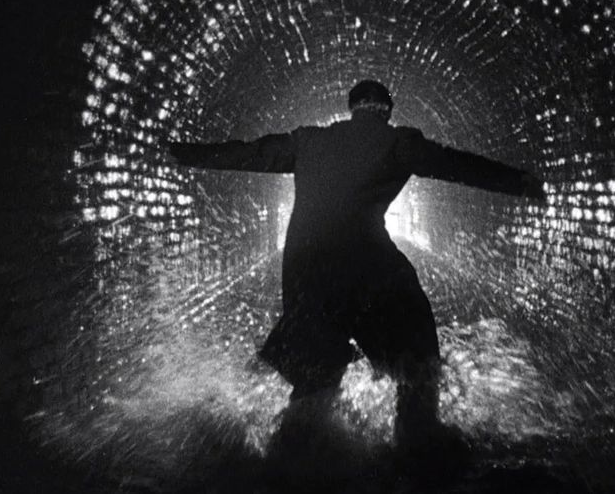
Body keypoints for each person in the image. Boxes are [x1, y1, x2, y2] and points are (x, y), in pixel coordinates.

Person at [169, 80, 545, 466]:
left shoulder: (308, 141)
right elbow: (454, 164)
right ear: (387, 110)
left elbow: (250, 153)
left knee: (316, 370)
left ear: (351, 109)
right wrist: (517, 181)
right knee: (416, 344)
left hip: (306, 267)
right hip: (367, 262)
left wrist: (180, 154)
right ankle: (416, 438)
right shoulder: (397, 142)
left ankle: (290, 457)